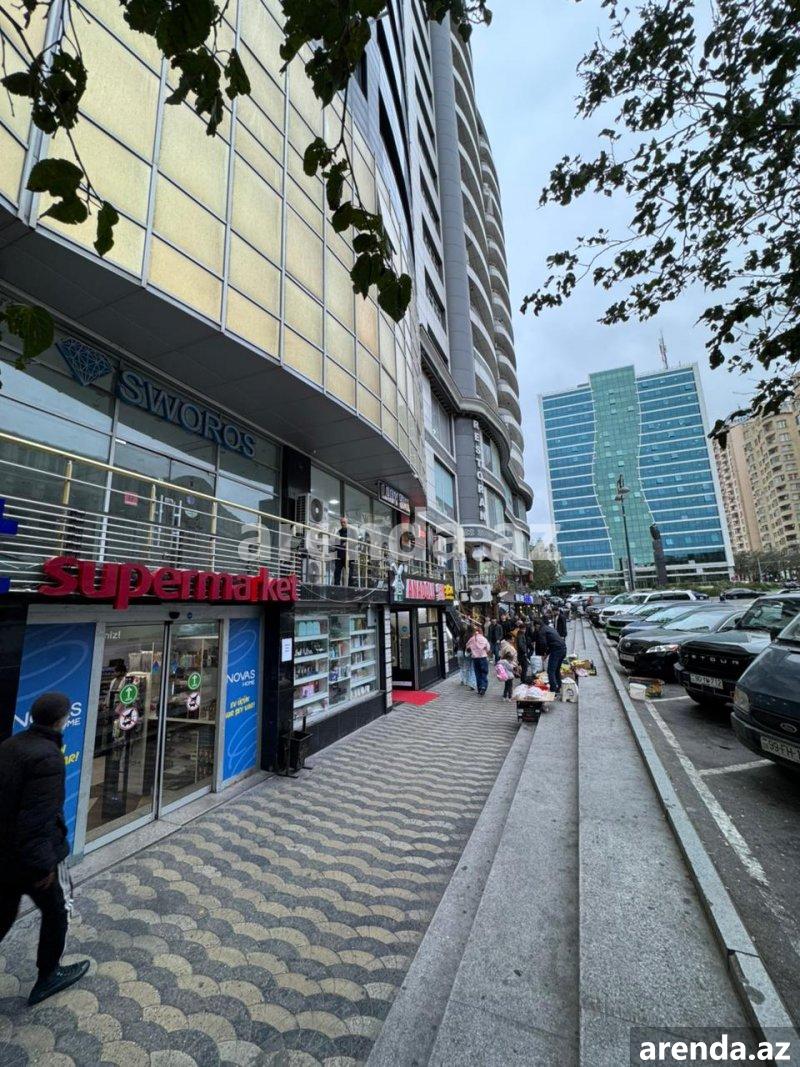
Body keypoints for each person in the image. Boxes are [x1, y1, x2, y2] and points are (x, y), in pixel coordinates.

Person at [0, 692, 90, 1006]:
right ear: (61, 719)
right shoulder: (49, 757)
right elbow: (38, 817)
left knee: (3, 912)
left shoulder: (10, 745)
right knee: (57, 910)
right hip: (36, 858)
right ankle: (48, 975)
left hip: (5, 854)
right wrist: (43, 866)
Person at [541, 620, 568, 696]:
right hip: (563, 649)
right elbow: (552, 644)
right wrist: (546, 654)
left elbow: (544, 644)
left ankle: (553, 690)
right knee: (556, 670)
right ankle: (559, 686)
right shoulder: (550, 629)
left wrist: (544, 653)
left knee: (551, 671)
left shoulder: (543, 631)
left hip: (556, 651)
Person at [466, 624, 491, 696]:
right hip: (483, 657)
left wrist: (472, 650)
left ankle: (479, 688)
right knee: (484, 673)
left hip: (475, 658)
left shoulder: (471, 639)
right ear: (481, 632)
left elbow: (467, 647)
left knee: (478, 674)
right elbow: (488, 648)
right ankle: (483, 687)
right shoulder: (484, 639)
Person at [332, 516, 353, 586]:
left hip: (349, 555)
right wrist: (334, 548)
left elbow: (355, 542)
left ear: (347, 523)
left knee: (350, 573)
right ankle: (336, 587)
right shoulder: (338, 532)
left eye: (344, 522)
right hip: (340, 555)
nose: (343, 524)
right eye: (341, 522)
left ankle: (350, 587)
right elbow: (336, 542)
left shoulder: (352, 532)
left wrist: (348, 543)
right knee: (337, 572)